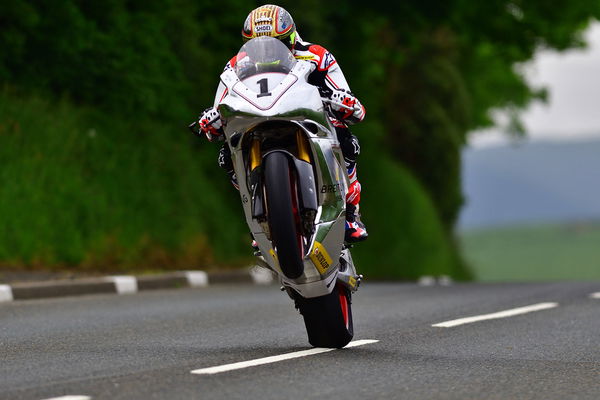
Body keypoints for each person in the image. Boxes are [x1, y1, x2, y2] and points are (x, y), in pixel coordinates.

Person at [195, 4, 368, 242]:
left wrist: (343, 100)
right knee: (226, 155)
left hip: (305, 115)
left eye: (276, 42)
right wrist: (212, 117)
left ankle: (351, 212)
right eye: (259, 45)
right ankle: (263, 216)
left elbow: (346, 96)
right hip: (256, 120)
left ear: (291, 36)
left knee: (347, 140)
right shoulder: (236, 64)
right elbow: (221, 103)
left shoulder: (317, 55)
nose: (267, 51)